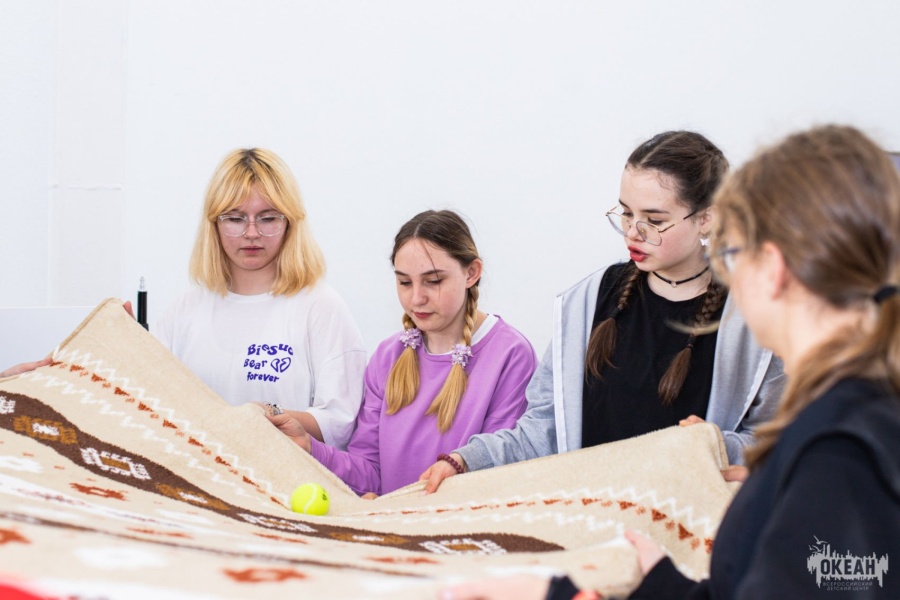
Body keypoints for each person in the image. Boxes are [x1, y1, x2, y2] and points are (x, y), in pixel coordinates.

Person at [446, 125, 900, 599]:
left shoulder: (839, 452)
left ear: (773, 268)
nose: (634, 230)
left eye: (735, 252)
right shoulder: (848, 426)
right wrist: (661, 583)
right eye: (626, 213)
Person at [420, 131, 785, 493]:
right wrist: (466, 460)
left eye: (655, 221)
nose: (633, 233)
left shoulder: (754, 320)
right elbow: (542, 431)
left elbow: (779, 442)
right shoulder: (586, 303)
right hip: (593, 517)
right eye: (626, 213)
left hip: (688, 521)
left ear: (706, 218)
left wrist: (717, 445)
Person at [266, 210, 537, 496]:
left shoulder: (510, 355)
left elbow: (496, 473)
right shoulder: (388, 357)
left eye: (433, 281)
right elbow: (369, 474)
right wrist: (309, 446)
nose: (416, 298)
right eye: (405, 282)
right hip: (395, 522)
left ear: (471, 273)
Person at [155, 148, 366, 450]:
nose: (251, 233)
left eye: (267, 218)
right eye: (235, 218)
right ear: (214, 223)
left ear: (290, 222)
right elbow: (152, 403)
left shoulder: (320, 306)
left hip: (284, 475)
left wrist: (265, 415)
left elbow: (340, 422)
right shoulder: (184, 310)